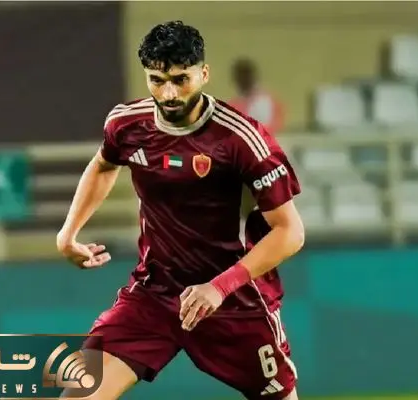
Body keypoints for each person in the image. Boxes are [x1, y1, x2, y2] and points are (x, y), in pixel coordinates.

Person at [56, 20, 304, 400]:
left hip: (235, 300)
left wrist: (219, 288)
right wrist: (68, 233)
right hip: (155, 294)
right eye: (157, 80)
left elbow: (290, 231)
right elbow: (104, 164)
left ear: (204, 74)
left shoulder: (242, 139)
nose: (169, 93)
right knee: (78, 393)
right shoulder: (127, 124)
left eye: (180, 79)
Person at [229, 58, 285, 136]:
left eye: (244, 76)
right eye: (239, 77)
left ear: (251, 77)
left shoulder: (263, 101)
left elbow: (264, 130)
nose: (241, 80)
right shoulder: (234, 103)